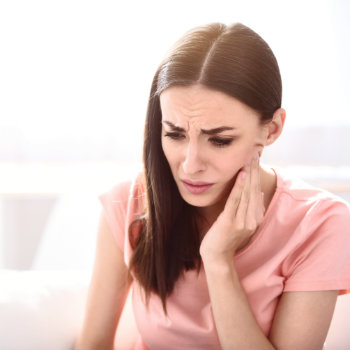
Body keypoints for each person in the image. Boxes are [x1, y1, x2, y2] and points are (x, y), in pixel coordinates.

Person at [75, 22, 350, 350]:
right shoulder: (128, 203)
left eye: (219, 140)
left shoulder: (319, 223)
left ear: (272, 129)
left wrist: (218, 259)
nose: (190, 165)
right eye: (175, 134)